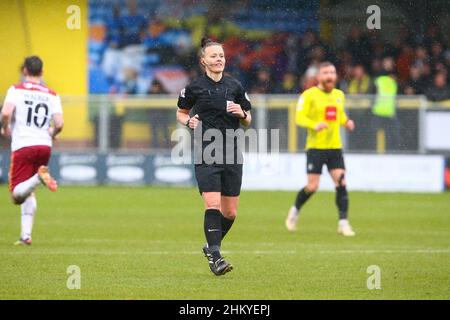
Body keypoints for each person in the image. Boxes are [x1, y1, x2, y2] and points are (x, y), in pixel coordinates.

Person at [176, 38, 252, 276]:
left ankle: (210, 248)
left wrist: (242, 113)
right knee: (212, 204)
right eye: (213, 56)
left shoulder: (236, 86)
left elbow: (248, 118)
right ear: (203, 61)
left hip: (232, 152)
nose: (219, 59)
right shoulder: (194, 87)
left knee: (230, 213)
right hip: (207, 151)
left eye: (221, 55)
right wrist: (188, 121)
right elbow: (181, 112)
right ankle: (217, 258)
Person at [285, 62, 356, 236]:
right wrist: (314, 124)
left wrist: (346, 122)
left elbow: (338, 115)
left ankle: (343, 223)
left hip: (334, 148)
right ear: (318, 77)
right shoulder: (309, 95)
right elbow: (299, 118)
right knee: (312, 186)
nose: (330, 75)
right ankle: (294, 212)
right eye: (326, 73)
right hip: (315, 148)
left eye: (332, 72)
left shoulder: (339, 95)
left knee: (341, 182)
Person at [1, 56, 63, 245]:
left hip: (24, 145)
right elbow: (59, 123)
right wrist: (52, 132)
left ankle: (38, 177)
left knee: (16, 196)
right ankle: (25, 235)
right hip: (44, 146)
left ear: (24, 71)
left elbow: (5, 113)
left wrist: (5, 128)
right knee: (29, 191)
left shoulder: (16, 89)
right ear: (42, 72)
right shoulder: (52, 94)